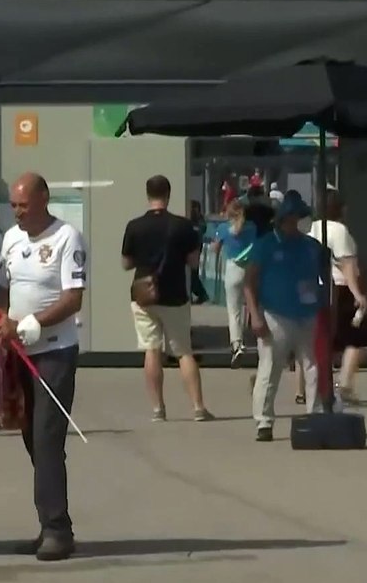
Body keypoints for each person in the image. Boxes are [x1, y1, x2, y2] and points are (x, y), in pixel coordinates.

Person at [0, 173, 87, 561]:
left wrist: (32, 324)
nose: (18, 212)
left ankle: (57, 530)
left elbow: (73, 298)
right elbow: (3, 282)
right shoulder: (12, 239)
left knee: (49, 439)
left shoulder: (67, 237)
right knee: (31, 437)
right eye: (14, 206)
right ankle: (46, 518)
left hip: (54, 351)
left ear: (43, 200)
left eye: (24, 205)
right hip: (17, 352)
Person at [121, 175, 214, 422]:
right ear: (168, 194)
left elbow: (125, 263)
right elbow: (193, 262)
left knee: (151, 350)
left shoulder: (134, 226)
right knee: (184, 351)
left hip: (142, 295)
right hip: (174, 294)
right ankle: (198, 407)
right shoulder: (183, 226)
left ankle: (158, 410)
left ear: (147, 194)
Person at [243, 191, 326, 442]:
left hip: (308, 313)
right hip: (275, 314)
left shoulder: (312, 246)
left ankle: (316, 415)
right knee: (271, 367)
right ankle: (264, 421)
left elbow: (325, 277)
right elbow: (249, 281)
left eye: (300, 217)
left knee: (312, 366)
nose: (297, 222)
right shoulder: (266, 245)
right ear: (282, 219)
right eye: (293, 217)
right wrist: (255, 315)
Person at [308, 191, 367, 405]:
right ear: (339, 208)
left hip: (322, 287)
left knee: (328, 338)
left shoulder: (314, 227)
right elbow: (348, 266)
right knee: (358, 336)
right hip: (343, 288)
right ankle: (345, 383)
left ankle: (313, 388)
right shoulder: (340, 230)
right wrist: (359, 294)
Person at [212, 199, 257, 364]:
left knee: (234, 309)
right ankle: (261, 340)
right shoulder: (252, 227)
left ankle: (237, 344)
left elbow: (215, 248)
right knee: (254, 305)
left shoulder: (223, 228)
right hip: (251, 268)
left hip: (233, 268)